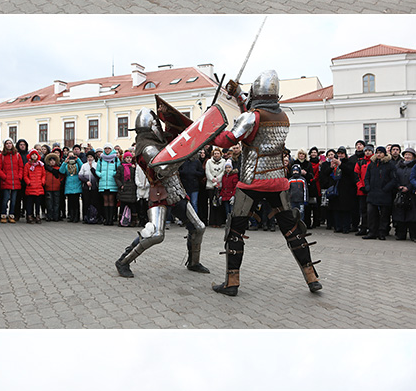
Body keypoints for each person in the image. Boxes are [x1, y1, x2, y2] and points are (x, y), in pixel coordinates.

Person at [212, 68, 322, 297]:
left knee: (235, 232)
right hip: (277, 182)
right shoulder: (282, 116)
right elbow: (253, 115)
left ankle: (232, 282)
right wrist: (238, 95)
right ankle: (311, 277)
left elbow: (229, 139)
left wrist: (210, 132)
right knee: (293, 231)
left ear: (256, 92)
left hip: (251, 183)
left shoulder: (251, 117)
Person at [115, 106, 209, 279]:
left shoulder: (161, 142)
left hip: (176, 190)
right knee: (156, 234)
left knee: (198, 227)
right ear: (152, 127)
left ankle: (194, 263)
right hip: (159, 193)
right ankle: (123, 261)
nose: (160, 128)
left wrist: (198, 138)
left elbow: (184, 145)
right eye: (157, 124)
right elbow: (163, 169)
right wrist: (183, 154)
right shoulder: (147, 148)